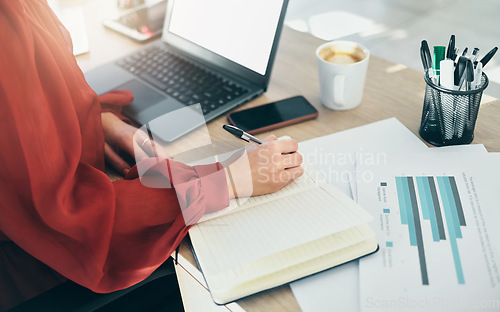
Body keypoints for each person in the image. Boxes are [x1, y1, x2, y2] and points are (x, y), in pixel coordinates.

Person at [0, 1, 303, 311]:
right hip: (45, 274)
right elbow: (67, 220)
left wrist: (98, 121)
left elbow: (36, 99)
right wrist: (228, 180)